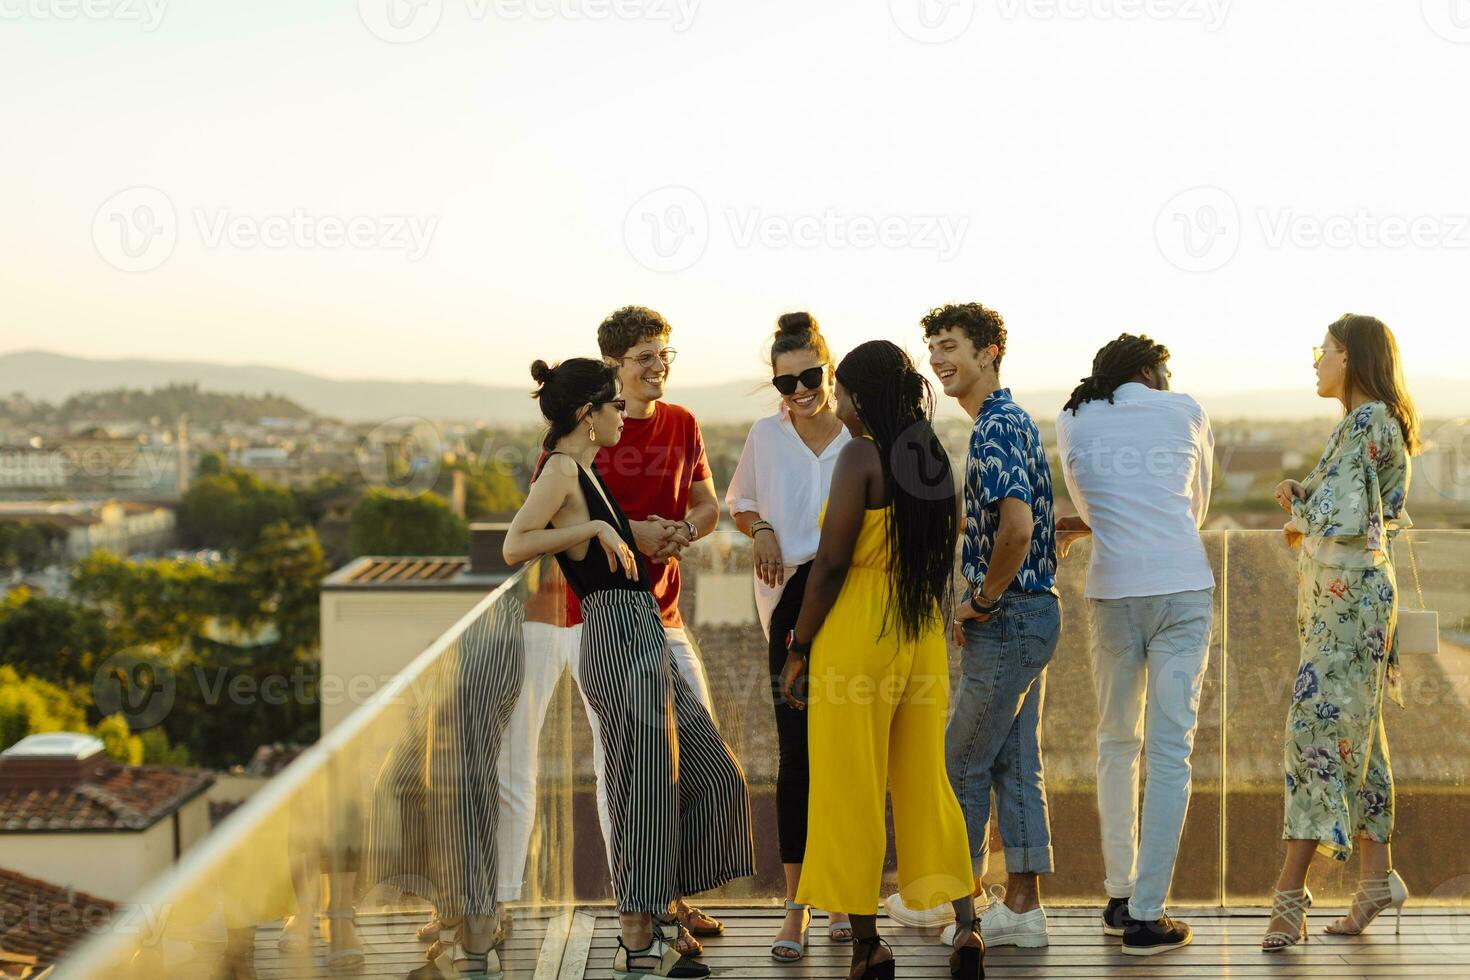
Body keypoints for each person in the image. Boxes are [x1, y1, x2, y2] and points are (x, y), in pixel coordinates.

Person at [504, 357, 754, 979]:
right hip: (615, 636)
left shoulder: (581, 468)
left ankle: (660, 901)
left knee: (714, 773)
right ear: (588, 414)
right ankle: (637, 935)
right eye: (613, 405)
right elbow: (515, 543)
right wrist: (590, 526)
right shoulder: (562, 469)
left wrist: (630, 534)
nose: (623, 414)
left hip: (641, 629)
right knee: (641, 786)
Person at [782, 340, 983, 980]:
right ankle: (967, 926)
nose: (836, 404)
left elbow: (832, 565)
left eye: (841, 392)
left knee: (851, 785)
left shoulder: (858, 458)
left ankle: (868, 945)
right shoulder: (929, 456)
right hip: (920, 632)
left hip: (859, 637)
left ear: (863, 396)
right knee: (927, 780)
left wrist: (800, 646)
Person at [1054, 333, 1215, 956]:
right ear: (1152, 370)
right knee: (1171, 753)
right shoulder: (1187, 410)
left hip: (1113, 590)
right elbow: (1194, 508)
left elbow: (1086, 504)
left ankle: (1119, 897)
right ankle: (1149, 916)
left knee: (1116, 743)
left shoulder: (1073, 415)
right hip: (1180, 587)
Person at [1261, 314, 1418, 952]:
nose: (1316, 361)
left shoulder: (1370, 421)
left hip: (1350, 609)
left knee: (1316, 733)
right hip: (1347, 607)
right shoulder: (1365, 423)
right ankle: (1377, 879)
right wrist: (1307, 493)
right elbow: (1354, 507)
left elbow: (1348, 521)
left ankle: (1289, 895)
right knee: (1359, 737)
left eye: (1322, 351)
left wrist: (1299, 504)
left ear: (1349, 358)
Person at [924, 302, 1059, 949]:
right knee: (1012, 761)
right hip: (1029, 615)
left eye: (950, 346)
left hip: (1007, 618)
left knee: (960, 764)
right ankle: (1024, 910)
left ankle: (963, 911)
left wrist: (980, 598)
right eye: (932, 352)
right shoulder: (1010, 420)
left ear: (989, 353)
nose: (939, 361)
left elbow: (1018, 527)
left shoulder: (996, 427)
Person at [725, 312, 852, 960]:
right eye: (786, 383)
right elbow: (740, 501)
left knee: (847, 753)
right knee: (798, 756)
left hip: (852, 600)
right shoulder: (764, 436)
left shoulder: (861, 434)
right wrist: (762, 530)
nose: (799, 392)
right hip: (788, 606)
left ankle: (844, 894)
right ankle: (797, 907)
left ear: (829, 369)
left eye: (810, 376)